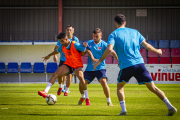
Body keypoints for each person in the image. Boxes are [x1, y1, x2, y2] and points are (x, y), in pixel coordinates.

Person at [94, 14, 177, 116]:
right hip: (140, 63)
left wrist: (99, 61)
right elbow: (146, 46)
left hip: (127, 66)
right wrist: (158, 51)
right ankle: (170, 106)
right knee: (152, 87)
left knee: (120, 86)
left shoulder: (113, 34)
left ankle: (123, 110)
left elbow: (110, 49)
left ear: (115, 23)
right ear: (125, 23)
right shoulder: (135, 32)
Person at [38, 32, 96, 105]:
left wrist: (92, 57)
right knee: (56, 74)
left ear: (66, 39)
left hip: (77, 65)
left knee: (81, 79)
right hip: (68, 64)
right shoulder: (62, 46)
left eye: (62, 41)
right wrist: (49, 55)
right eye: (60, 41)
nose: (61, 43)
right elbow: (56, 51)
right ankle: (45, 91)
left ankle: (86, 98)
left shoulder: (75, 44)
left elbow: (86, 50)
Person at [78, 28, 118, 106]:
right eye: (93, 36)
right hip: (90, 69)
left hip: (100, 68)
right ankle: (83, 97)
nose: (94, 38)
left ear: (101, 36)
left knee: (104, 82)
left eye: (96, 36)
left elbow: (112, 52)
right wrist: (83, 47)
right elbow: (82, 54)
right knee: (81, 83)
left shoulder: (104, 44)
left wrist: (118, 61)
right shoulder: (89, 43)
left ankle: (109, 101)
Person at [53, 25, 78, 96]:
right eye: (67, 30)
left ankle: (66, 90)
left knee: (69, 76)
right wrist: (55, 55)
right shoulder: (62, 38)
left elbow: (77, 49)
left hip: (71, 61)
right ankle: (61, 87)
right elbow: (56, 47)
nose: (69, 31)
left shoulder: (75, 39)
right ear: (66, 31)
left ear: (73, 30)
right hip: (63, 60)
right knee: (59, 75)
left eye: (70, 30)